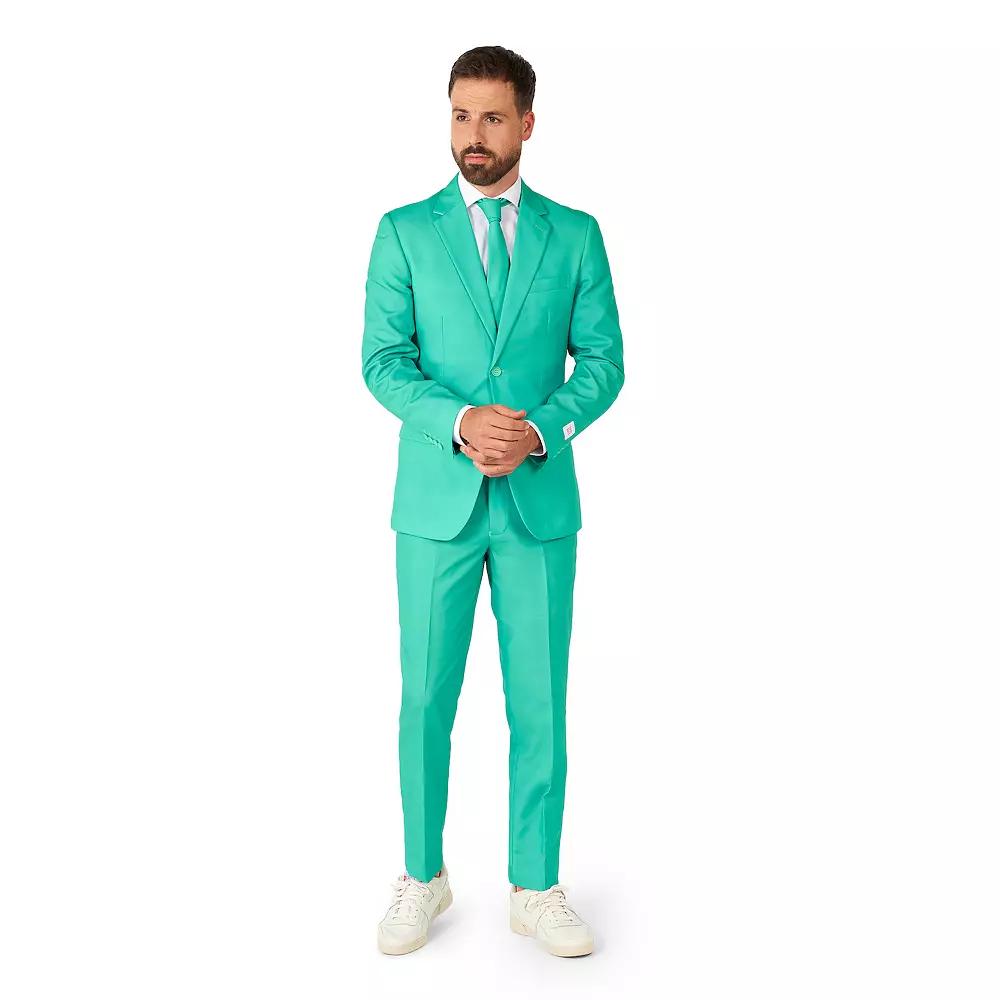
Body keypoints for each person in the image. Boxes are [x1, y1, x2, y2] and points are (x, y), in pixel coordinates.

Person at [361, 45, 624, 958]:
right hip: (435, 503)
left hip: (538, 504)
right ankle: (421, 875)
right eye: (461, 116)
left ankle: (535, 885)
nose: (473, 135)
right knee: (425, 700)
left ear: (527, 124)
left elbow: (604, 361)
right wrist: (461, 420)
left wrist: (541, 429)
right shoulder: (403, 232)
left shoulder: (575, 235)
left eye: (493, 118)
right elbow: (383, 361)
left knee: (540, 702)